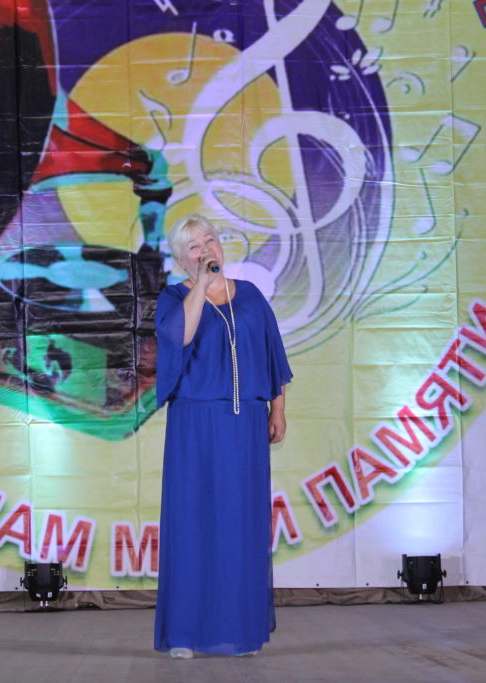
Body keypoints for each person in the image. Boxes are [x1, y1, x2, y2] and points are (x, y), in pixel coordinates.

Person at [153, 214, 292, 658]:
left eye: (209, 240)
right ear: (181, 260)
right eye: (193, 247)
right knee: (192, 521)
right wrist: (201, 285)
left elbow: (272, 354)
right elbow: (181, 336)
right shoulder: (174, 297)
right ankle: (184, 634)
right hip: (194, 424)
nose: (205, 250)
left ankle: (241, 630)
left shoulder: (249, 295)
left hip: (245, 423)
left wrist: (278, 408)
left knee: (241, 522)